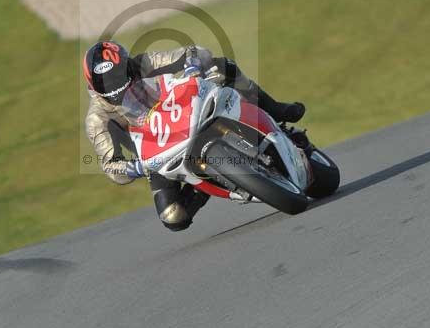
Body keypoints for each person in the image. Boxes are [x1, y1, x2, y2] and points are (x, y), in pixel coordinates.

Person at [83, 41, 306, 232]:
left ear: (128, 64)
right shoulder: (97, 119)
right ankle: (203, 184)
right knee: (173, 217)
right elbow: (112, 167)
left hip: (186, 110)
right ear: (94, 86)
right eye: (107, 83)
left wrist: (193, 66)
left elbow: (192, 51)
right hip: (158, 151)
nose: (115, 85)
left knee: (221, 66)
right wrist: (136, 168)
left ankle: (275, 110)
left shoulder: (143, 63)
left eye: (119, 75)